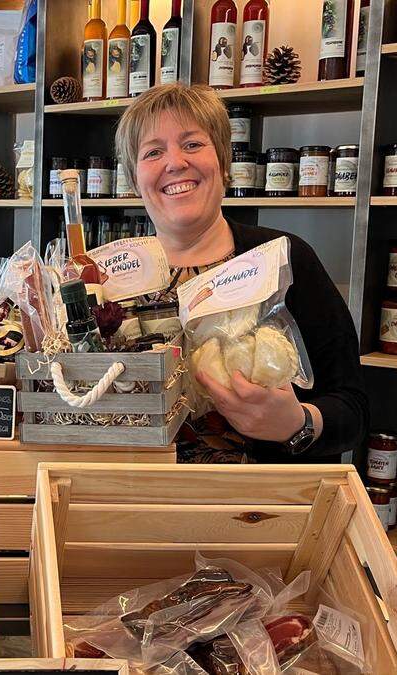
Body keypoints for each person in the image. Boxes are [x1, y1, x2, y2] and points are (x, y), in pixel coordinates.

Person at [115, 83, 368, 462]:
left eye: (192, 144)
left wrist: (297, 423)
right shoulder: (111, 283)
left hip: (260, 511)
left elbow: (354, 410)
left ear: (223, 159)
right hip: (134, 501)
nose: (175, 162)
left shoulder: (285, 258)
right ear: (134, 179)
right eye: (153, 151)